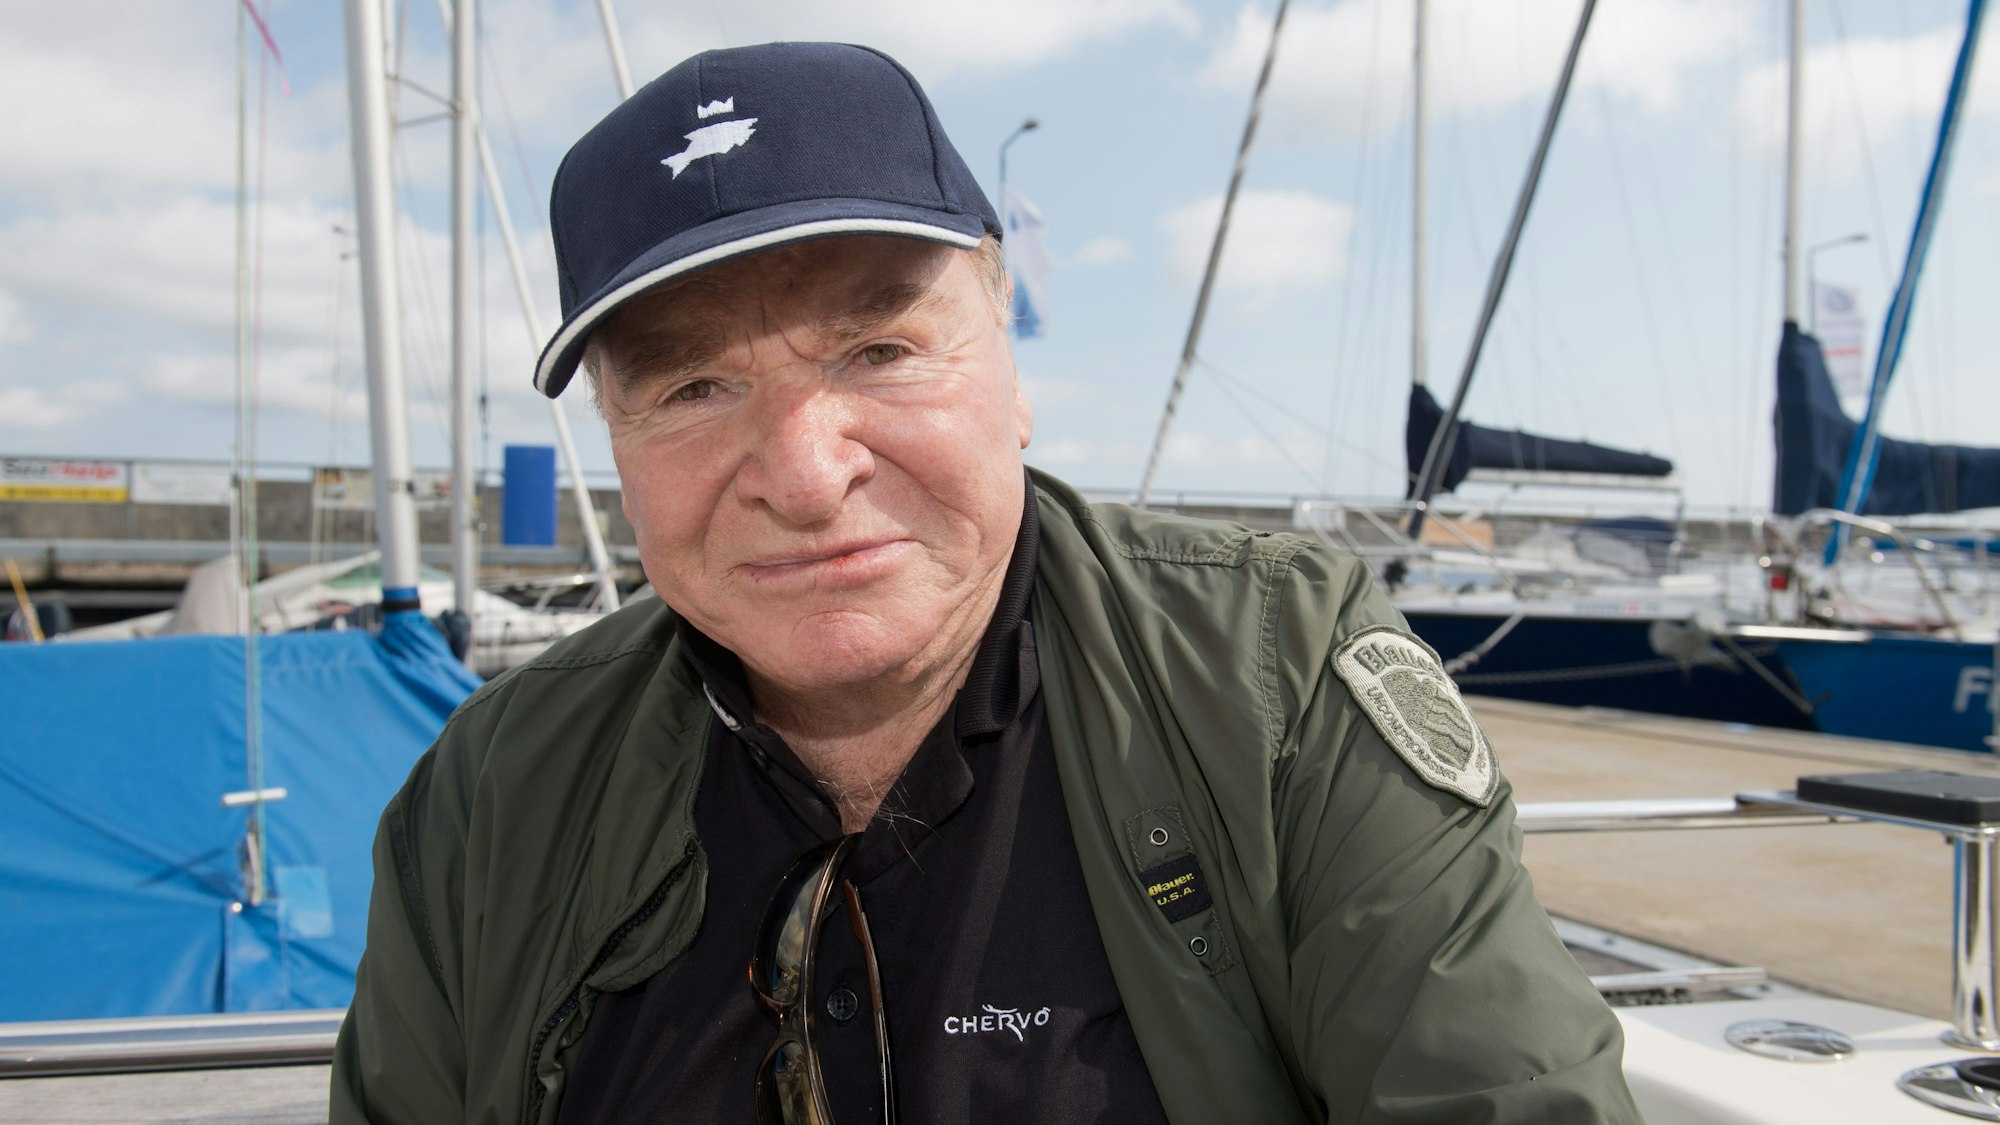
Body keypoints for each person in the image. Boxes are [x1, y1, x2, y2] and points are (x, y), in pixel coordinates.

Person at [330, 41, 1640, 1125]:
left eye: (880, 347)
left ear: (1011, 369)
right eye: (692, 387)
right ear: (613, 442)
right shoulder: (492, 800)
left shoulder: (1275, 680)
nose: (801, 469)